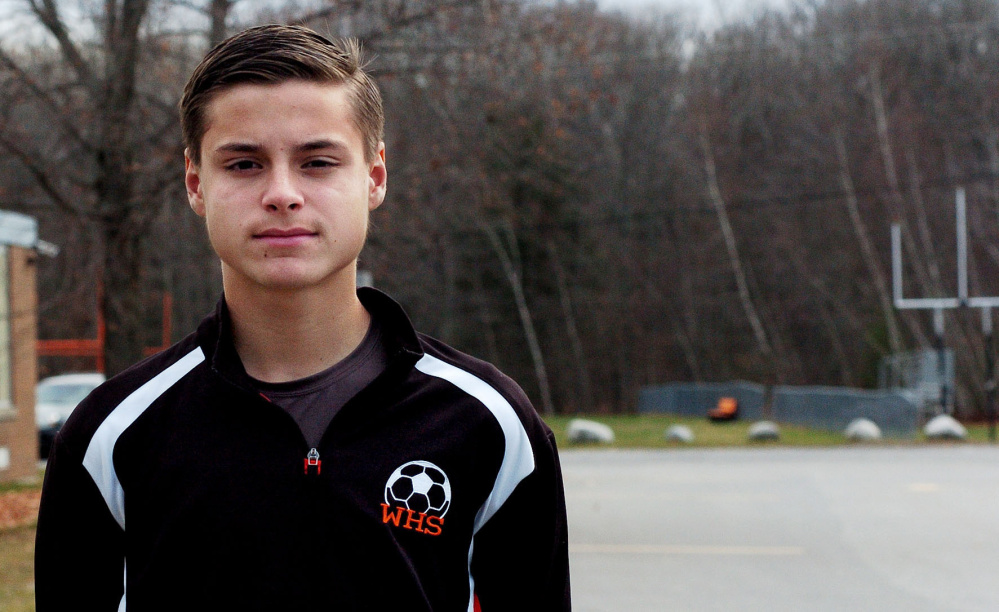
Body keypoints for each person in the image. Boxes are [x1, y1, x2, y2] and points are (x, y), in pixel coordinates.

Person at [35, 24, 570, 611]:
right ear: (195, 182)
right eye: (243, 165)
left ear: (374, 176)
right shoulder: (110, 437)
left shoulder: (487, 422)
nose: (282, 193)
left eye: (317, 161)